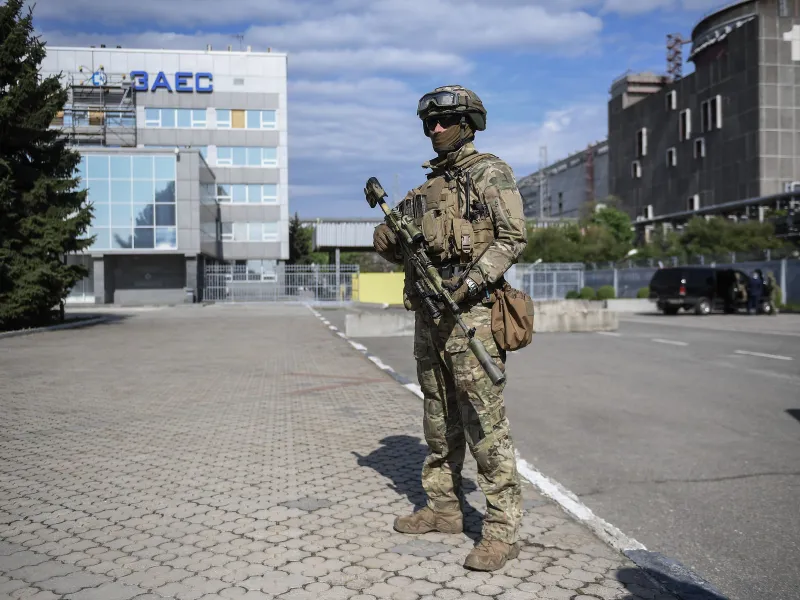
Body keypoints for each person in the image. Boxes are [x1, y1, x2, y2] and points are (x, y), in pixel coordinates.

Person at [372, 85, 527, 571]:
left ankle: (502, 529)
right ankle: (443, 509)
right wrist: (389, 238)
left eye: (443, 121)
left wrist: (467, 285)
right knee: (437, 417)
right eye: (428, 124)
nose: (434, 129)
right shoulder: (425, 190)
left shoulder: (489, 173)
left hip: (472, 316)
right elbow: (400, 245)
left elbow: (512, 237)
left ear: (468, 122)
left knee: (484, 422)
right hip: (429, 317)